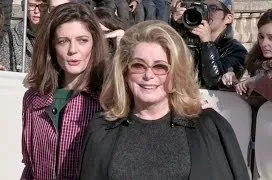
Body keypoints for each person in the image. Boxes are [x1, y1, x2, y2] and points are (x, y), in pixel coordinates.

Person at [80, 20, 250, 180]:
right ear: (124, 72)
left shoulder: (210, 127)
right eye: (138, 65)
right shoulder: (102, 129)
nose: (148, 75)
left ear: (177, 73)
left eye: (160, 67)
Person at [21, 3, 108, 179]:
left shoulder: (107, 100)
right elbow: (30, 167)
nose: (73, 50)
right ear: (52, 46)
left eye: (82, 40)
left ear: (94, 43)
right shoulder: (33, 99)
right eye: (63, 41)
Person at [171, 0, 247, 89]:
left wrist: (207, 44)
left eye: (212, 8)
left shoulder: (237, 50)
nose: (205, 11)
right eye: (203, 6)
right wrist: (176, 27)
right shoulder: (190, 40)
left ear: (228, 18)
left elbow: (215, 82)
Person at [232, 9, 272, 101]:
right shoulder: (256, 62)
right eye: (261, 37)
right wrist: (233, 82)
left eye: (271, 38)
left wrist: (259, 81)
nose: (264, 43)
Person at [0, 0, 48, 72]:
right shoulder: (11, 36)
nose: (36, 11)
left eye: (42, 6)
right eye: (31, 5)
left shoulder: (53, 35)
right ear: (24, 6)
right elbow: (5, 71)